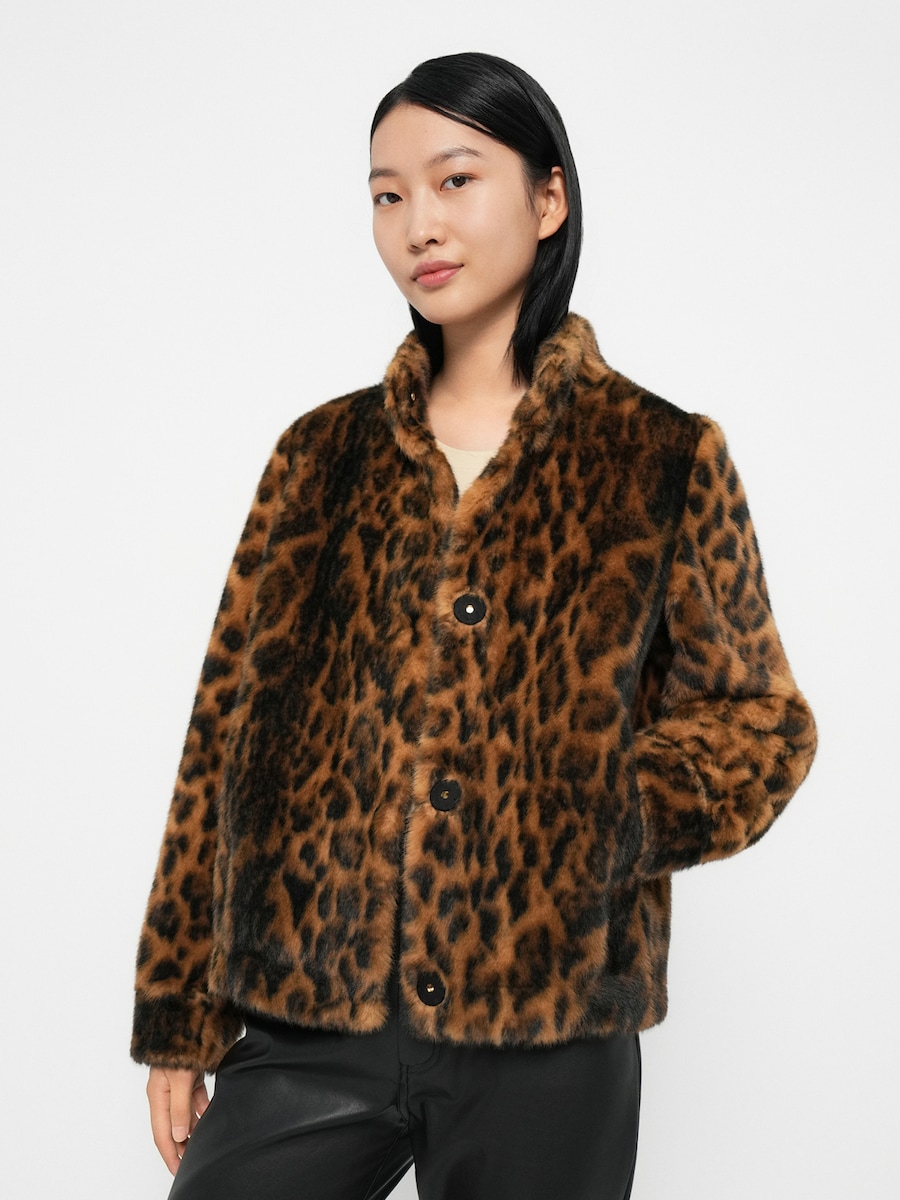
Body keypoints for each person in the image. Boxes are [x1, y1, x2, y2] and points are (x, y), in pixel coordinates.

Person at [131, 51, 818, 1200]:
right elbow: (221, 737)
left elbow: (763, 721)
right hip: (311, 1012)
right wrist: (179, 1008)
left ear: (548, 199)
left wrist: (599, 814)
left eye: (456, 180)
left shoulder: (659, 456)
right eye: (387, 194)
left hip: (546, 1024)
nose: (418, 225)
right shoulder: (320, 455)